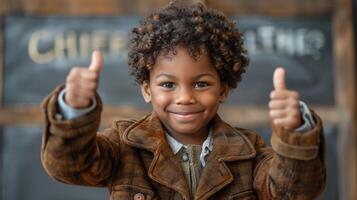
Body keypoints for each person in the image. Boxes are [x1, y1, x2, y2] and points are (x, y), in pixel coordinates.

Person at [41, 1, 326, 199]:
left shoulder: (249, 152)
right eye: (167, 84)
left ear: (224, 89)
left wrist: (296, 131)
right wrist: (73, 111)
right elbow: (69, 167)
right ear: (147, 89)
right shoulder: (123, 145)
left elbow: (295, 191)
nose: (185, 97)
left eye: (201, 84)